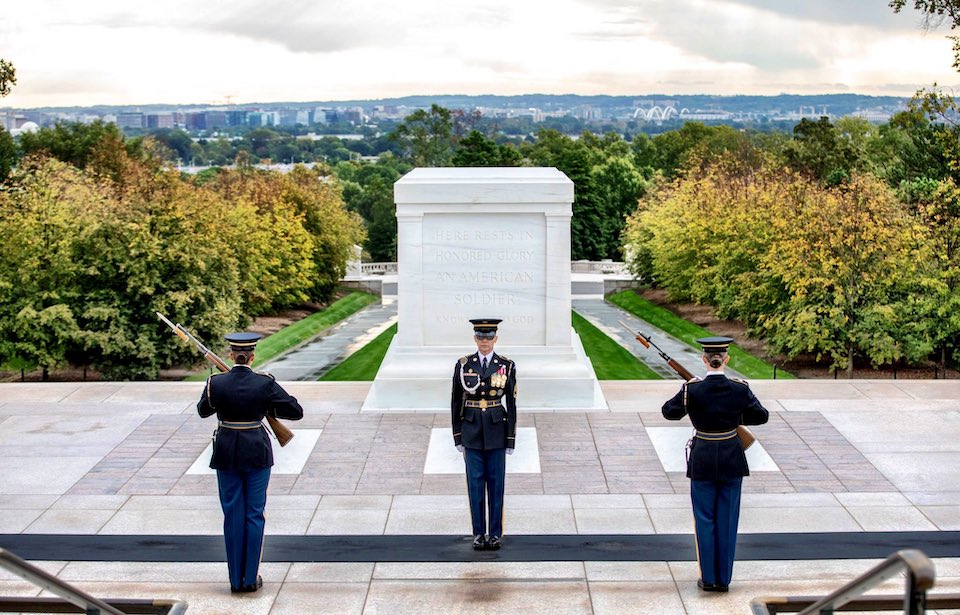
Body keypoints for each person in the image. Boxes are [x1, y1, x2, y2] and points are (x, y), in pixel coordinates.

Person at [197, 332, 303, 593]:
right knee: (254, 514)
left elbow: (203, 411)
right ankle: (249, 579)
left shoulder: (216, 382)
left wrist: (224, 394)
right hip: (256, 450)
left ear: (231, 356)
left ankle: (235, 581)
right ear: (253, 356)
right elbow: (296, 411)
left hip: (226, 452)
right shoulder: (264, 384)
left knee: (233, 513)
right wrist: (266, 405)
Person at [661, 336, 768, 593]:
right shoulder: (740, 389)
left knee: (705, 519)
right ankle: (723, 580)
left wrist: (690, 392)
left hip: (704, 458)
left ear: (704, 359)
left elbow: (669, 412)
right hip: (732, 458)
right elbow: (761, 416)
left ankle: (708, 578)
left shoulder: (692, 390)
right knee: (728, 519)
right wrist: (733, 415)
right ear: (726, 359)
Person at [451, 318, 517, 551]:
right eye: (481, 337)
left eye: (489, 337)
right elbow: (456, 401)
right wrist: (458, 435)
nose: (485, 341)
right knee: (475, 484)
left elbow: (512, 402)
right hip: (471, 430)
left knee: (496, 484)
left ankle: (495, 533)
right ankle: (479, 533)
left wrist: (511, 438)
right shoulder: (463, 364)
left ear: (495, 339)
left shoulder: (505, 365)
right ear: (475, 338)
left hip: (497, 429)